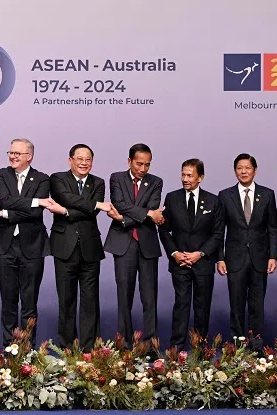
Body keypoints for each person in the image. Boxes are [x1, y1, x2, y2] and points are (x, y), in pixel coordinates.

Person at [0, 138, 53, 347]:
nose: (12, 156)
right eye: (11, 152)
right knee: (8, 302)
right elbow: (5, 200)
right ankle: (9, 349)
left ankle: (27, 350)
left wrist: (4, 214)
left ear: (29, 156)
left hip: (32, 246)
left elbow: (34, 214)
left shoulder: (42, 179)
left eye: (17, 153)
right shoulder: (1, 174)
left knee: (29, 303)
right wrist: (35, 201)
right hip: (5, 246)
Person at [48, 144, 111, 352]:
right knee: (66, 301)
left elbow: (91, 213)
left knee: (90, 301)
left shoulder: (99, 182)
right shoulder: (57, 179)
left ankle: (88, 350)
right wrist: (93, 204)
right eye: (80, 159)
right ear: (70, 160)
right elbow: (65, 197)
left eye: (88, 160)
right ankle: (67, 348)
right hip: (64, 248)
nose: (84, 163)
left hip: (90, 249)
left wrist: (65, 212)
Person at [215, 154, 277, 352]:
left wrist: (273, 255)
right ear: (235, 171)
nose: (243, 171)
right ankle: (238, 346)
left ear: (255, 170)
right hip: (234, 259)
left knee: (257, 304)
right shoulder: (225, 195)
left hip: (260, 258)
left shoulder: (267, 194)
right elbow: (218, 230)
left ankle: (256, 345)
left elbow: (273, 228)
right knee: (236, 304)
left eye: (247, 168)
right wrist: (220, 258)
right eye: (239, 168)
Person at [104, 143, 164, 347]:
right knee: (124, 296)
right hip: (123, 243)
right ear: (129, 161)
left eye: (147, 165)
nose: (143, 169)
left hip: (146, 244)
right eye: (139, 164)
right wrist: (147, 214)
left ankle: (150, 346)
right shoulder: (116, 178)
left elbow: (152, 207)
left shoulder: (156, 182)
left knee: (150, 298)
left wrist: (123, 219)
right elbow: (119, 203)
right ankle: (125, 344)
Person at [159, 159, 224, 349]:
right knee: (181, 306)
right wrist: (175, 253)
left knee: (202, 308)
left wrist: (200, 253)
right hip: (179, 263)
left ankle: (200, 350)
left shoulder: (213, 200)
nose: (185, 179)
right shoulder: (172, 198)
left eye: (190, 175)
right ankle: (176, 350)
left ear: (200, 177)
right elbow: (164, 230)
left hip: (203, 263)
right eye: (183, 175)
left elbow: (218, 233)